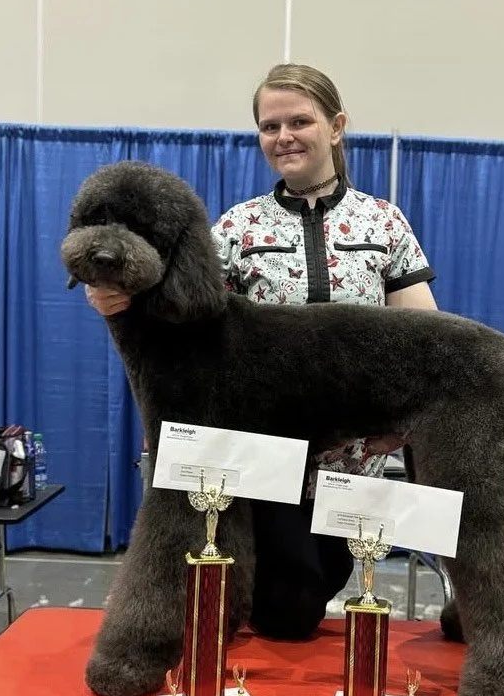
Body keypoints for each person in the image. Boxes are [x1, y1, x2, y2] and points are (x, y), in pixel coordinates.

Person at [86, 63, 437, 638]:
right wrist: (120, 299)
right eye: (270, 126)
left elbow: (425, 334)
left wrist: (409, 420)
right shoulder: (235, 228)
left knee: (322, 589)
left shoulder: (385, 221)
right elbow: (191, 337)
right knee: (286, 614)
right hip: (266, 463)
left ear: (337, 126)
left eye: (300, 121)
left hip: (355, 459)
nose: (284, 136)